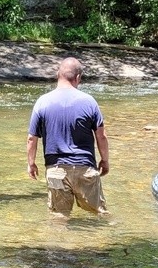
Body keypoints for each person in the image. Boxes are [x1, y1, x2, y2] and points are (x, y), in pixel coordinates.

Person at [26, 57, 110, 217]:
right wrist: (105, 160)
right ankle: (109, 240)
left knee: (59, 219)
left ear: (58, 74)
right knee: (101, 215)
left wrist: (31, 164)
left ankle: (59, 242)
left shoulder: (42, 102)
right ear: (78, 78)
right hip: (85, 168)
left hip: (56, 170)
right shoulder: (89, 101)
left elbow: (32, 139)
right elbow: (101, 136)